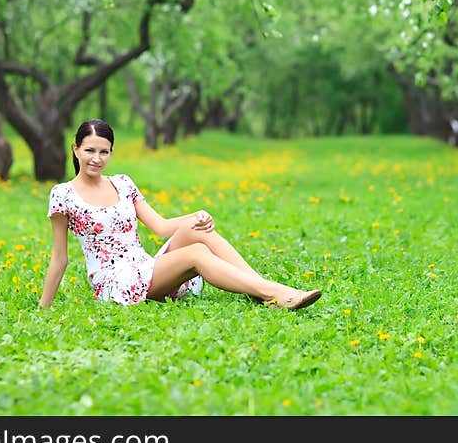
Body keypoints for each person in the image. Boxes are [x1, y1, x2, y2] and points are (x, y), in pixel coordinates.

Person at [38, 119, 321, 311]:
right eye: (89, 151)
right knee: (196, 254)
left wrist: (194, 216)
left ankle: (261, 291)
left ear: (111, 153)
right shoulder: (64, 195)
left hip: (143, 267)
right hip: (114, 282)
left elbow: (161, 227)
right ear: (75, 150)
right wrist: (44, 309)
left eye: (104, 152)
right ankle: (274, 293)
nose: (96, 159)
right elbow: (60, 257)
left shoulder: (122, 183)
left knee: (199, 232)